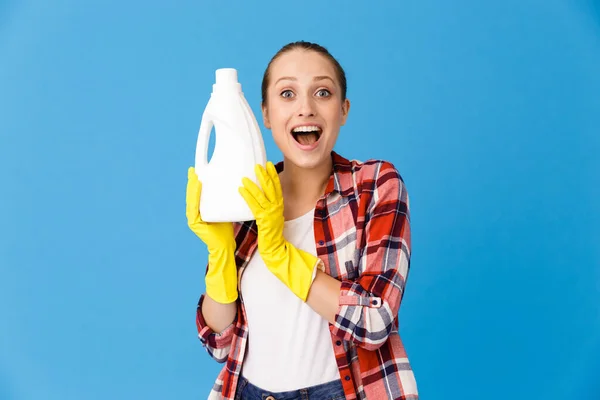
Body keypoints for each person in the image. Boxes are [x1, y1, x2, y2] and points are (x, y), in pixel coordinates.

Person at [186, 41, 418, 400]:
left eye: (322, 92)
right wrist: (219, 253)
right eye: (288, 93)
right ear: (264, 114)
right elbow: (220, 341)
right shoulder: (248, 200)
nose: (305, 108)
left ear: (343, 110)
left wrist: (281, 255)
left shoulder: (373, 187)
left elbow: (376, 322)